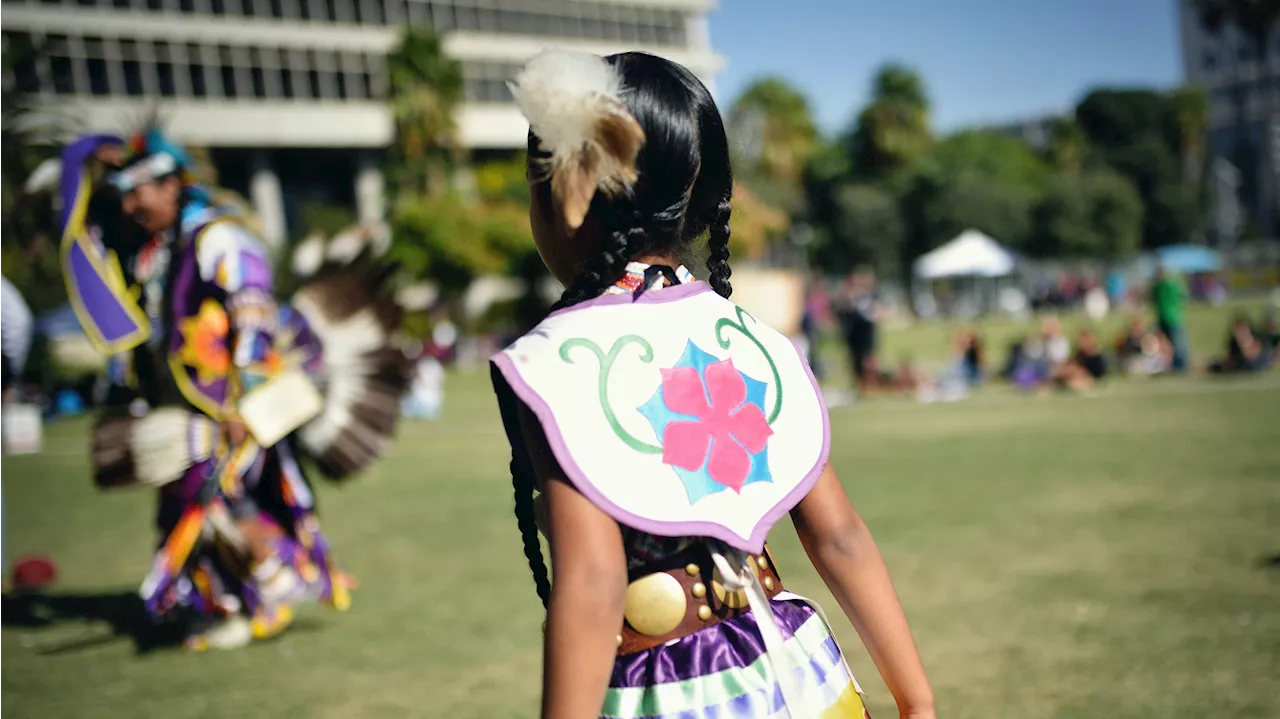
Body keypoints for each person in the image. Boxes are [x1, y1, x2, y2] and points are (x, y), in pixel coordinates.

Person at [491, 50, 934, 719]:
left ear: (565, 190)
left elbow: (592, 579)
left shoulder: (559, 361)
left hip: (671, 691)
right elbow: (839, 535)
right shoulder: (749, 338)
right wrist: (918, 699)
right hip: (800, 674)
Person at [55, 129, 411, 649]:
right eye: (123, 195)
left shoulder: (218, 238)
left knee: (217, 500)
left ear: (172, 184)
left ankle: (268, 591)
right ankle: (226, 603)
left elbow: (252, 308)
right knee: (192, 502)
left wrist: (245, 396)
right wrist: (84, 154)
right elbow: (83, 241)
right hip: (194, 403)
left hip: (233, 405)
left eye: (140, 192)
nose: (131, 205)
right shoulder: (157, 249)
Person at [1150, 265, 1190, 373]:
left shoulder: (1170, 286)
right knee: (1164, 344)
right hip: (1162, 318)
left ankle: (1181, 365)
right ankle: (1167, 365)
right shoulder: (1157, 287)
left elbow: (1182, 295)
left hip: (1173, 318)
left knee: (1178, 343)